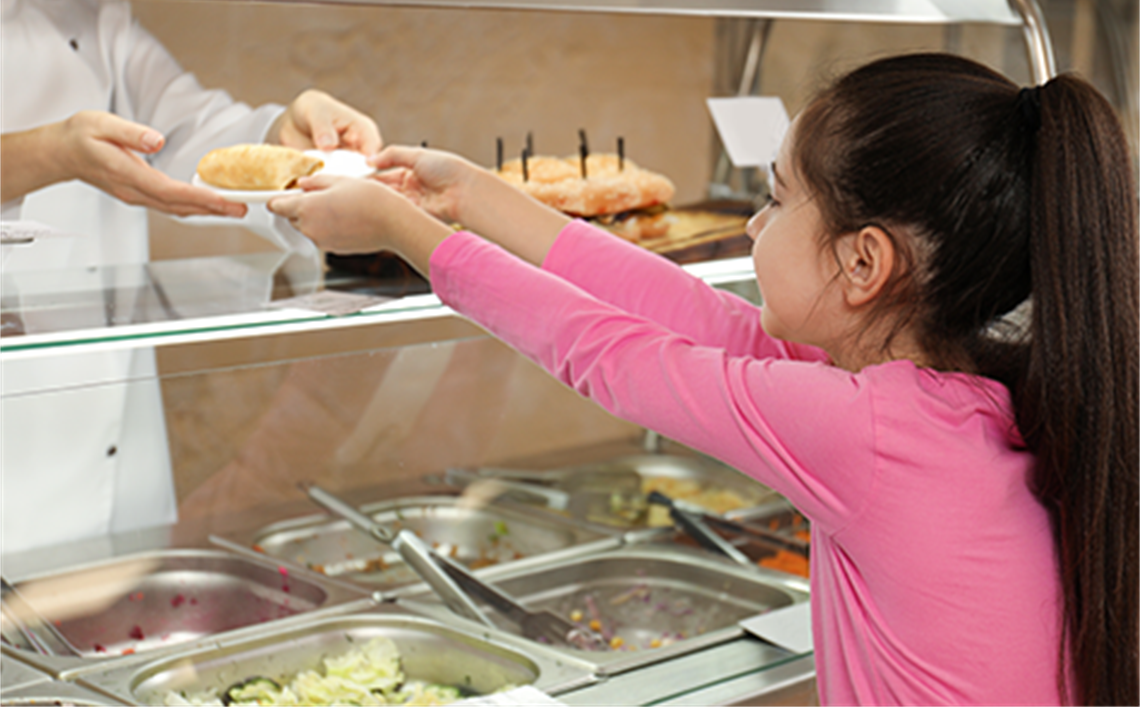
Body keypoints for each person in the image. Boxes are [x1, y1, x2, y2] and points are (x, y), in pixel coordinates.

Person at [270, 52, 1139, 706]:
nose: (756, 222)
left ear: (865, 262)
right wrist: (472, 195)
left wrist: (403, 232)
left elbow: (610, 354)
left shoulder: (863, 431)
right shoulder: (951, 394)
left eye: (776, 197)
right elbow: (684, 309)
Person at [0, 0, 381, 554]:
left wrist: (284, 136)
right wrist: (50, 152)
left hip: (123, 465)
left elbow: (184, 132)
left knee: (128, 623)